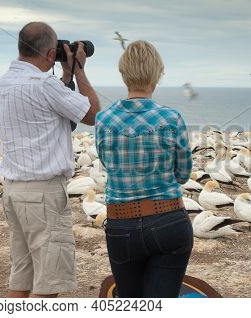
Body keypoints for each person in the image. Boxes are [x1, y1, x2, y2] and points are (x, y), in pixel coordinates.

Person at [0, 22, 100, 298]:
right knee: (48, 284)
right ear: (51, 53)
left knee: (22, 277)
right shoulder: (44, 84)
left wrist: (65, 77)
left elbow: (52, 109)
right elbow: (93, 115)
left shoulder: (3, 82)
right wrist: (78, 71)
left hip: (15, 191)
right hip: (42, 195)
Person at [95, 40, 193, 298]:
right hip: (168, 220)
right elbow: (183, 174)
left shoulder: (103, 120)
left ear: (123, 73)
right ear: (157, 74)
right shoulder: (171, 118)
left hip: (121, 223)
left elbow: (108, 165)